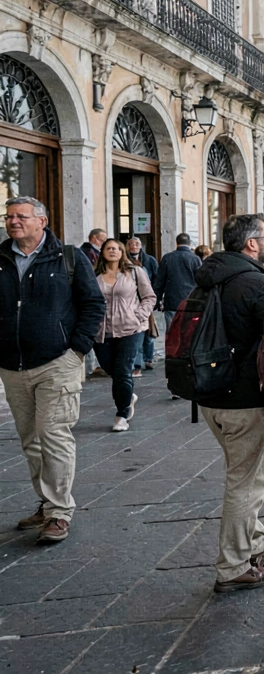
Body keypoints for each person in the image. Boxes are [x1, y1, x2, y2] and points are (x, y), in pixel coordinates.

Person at [1, 197, 105, 544]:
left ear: (42, 221)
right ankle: (47, 503)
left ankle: (59, 512)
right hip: (12, 365)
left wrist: (78, 351)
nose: (13, 221)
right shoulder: (1, 258)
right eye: (9, 216)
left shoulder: (67, 257)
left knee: (53, 434)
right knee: (30, 440)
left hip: (57, 362)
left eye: (21, 216)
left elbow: (93, 303)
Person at [196, 214, 264, 592]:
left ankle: (254, 541)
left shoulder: (208, 276)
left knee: (243, 474)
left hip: (209, 394)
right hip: (248, 399)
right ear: (251, 244)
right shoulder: (257, 283)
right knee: (247, 482)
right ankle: (233, 566)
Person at [93, 239, 156, 432]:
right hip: (102, 331)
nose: (112, 251)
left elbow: (149, 296)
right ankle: (128, 395)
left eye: (116, 248)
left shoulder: (135, 272)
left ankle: (122, 414)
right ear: (102, 252)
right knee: (109, 368)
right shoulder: (94, 275)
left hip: (131, 329)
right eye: (108, 248)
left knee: (122, 371)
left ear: (122, 252)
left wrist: (139, 315)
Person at [154, 233, 202, 329]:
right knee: (190, 333)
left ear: (176, 243)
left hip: (172, 302)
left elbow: (159, 282)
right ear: (189, 243)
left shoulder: (167, 258)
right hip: (191, 302)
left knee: (172, 332)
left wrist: (157, 300)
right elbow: (201, 281)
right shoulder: (196, 259)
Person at [125, 237, 159, 375]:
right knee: (137, 334)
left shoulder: (149, 260)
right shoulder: (124, 260)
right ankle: (137, 364)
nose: (134, 246)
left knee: (148, 333)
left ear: (141, 246)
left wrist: (154, 299)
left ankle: (148, 358)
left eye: (137, 244)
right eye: (131, 244)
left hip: (145, 301)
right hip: (132, 303)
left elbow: (156, 277)